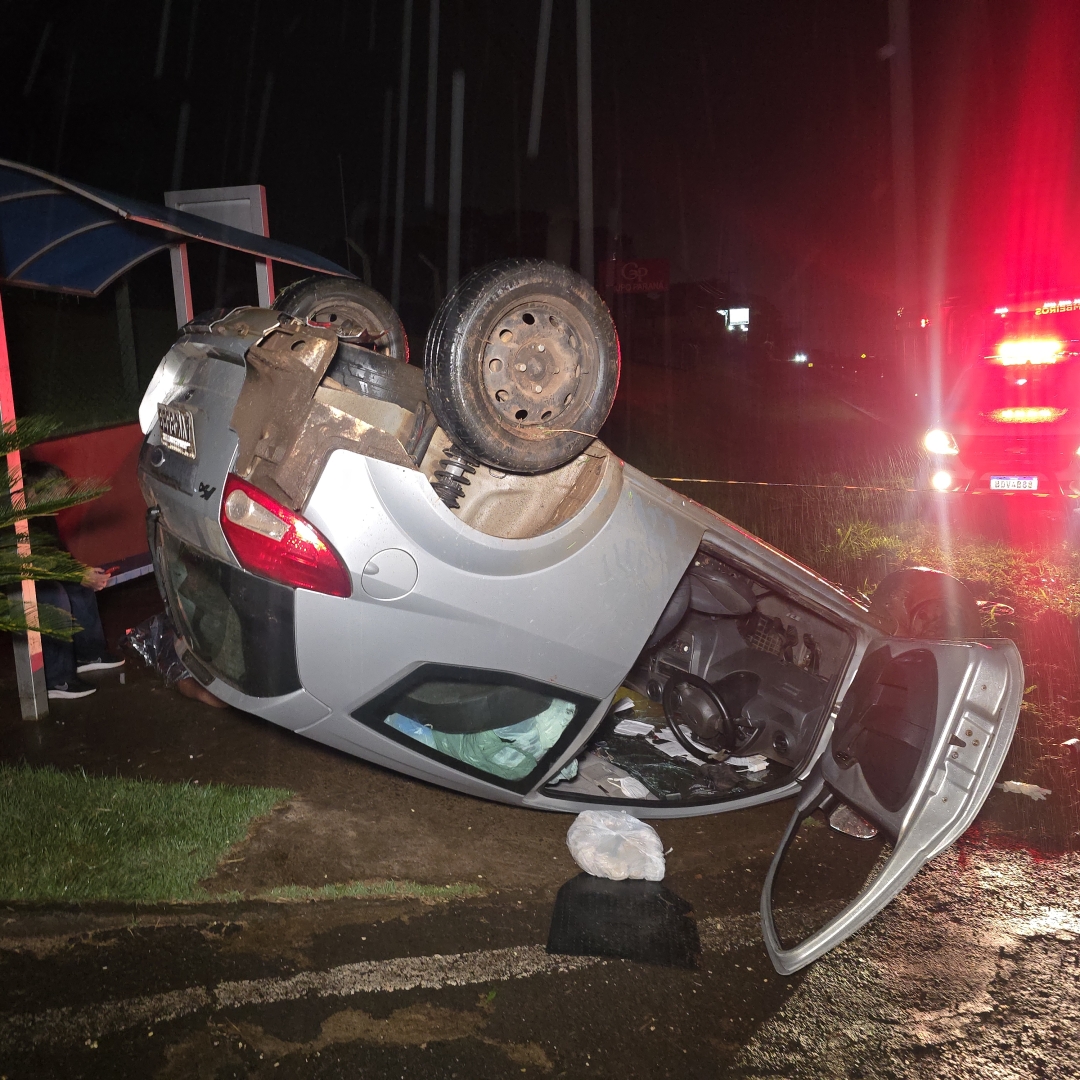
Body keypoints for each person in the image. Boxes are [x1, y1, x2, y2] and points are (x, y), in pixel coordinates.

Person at [19, 461, 124, 699]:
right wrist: (76, 573)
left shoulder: (44, 515)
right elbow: (31, 562)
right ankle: (56, 679)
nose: (60, 508)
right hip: (18, 576)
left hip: (45, 570)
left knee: (79, 589)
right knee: (54, 596)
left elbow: (56, 554)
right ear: (33, 493)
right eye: (57, 500)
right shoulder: (18, 519)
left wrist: (82, 572)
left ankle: (89, 653)